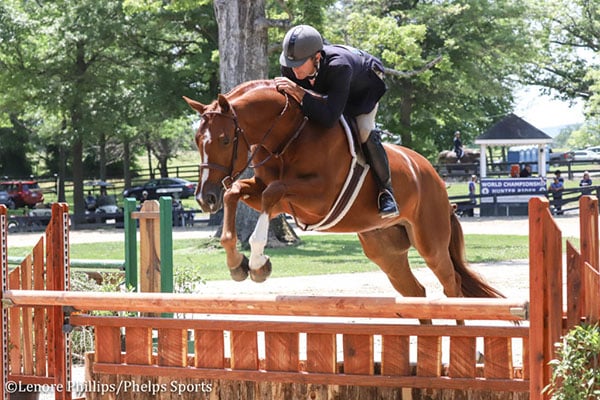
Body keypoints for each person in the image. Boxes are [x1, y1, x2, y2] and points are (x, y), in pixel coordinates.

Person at [274, 24, 399, 218]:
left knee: (364, 130)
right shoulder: (290, 68)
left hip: (362, 91)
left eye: (299, 64)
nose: (294, 70)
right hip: (327, 92)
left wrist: (299, 92)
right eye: (291, 64)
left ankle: (386, 192)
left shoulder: (339, 67)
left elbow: (330, 117)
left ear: (316, 57)